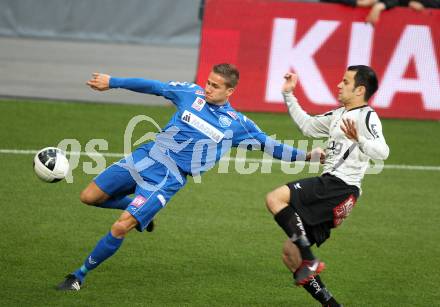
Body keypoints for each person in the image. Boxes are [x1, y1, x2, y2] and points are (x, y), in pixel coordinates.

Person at [57, 63, 324, 291]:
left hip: (168, 177)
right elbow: (154, 86)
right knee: (88, 196)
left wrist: (307, 156)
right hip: (146, 156)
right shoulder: (190, 94)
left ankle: (78, 275)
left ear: (230, 91)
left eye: (215, 86)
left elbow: (273, 147)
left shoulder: (238, 124)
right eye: (208, 82)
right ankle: (139, 210)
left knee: (119, 227)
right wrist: (112, 82)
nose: (208, 88)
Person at [265, 65, 389, 306]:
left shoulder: (366, 116)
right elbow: (308, 126)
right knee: (290, 254)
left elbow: (383, 151)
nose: (339, 85)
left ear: (360, 89)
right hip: (337, 193)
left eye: (345, 81)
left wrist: (359, 139)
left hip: (339, 186)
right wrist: (289, 94)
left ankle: (310, 258)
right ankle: (332, 305)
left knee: (275, 198)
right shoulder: (339, 114)